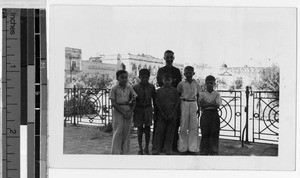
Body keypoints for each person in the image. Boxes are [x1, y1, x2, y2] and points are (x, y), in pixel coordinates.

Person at [156, 50, 182, 152]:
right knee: (161, 125)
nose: (169, 59)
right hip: (163, 98)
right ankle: (161, 146)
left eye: (171, 57)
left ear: (173, 58)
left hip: (173, 98)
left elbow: (178, 84)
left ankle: (173, 146)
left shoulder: (176, 70)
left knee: (174, 125)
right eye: (167, 57)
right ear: (164, 58)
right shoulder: (161, 70)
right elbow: (159, 82)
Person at [109, 70, 138, 154]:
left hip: (128, 110)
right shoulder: (114, 89)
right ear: (117, 78)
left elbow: (134, 100)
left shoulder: (130, 88)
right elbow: (113, 103)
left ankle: (125, 151)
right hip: (118, 111)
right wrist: (122, 112)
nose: (124, 79)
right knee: (118, 131)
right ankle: (116, 152)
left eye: (126, 77)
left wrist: (130, 112)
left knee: (127, 131)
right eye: (122, 77)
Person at [152, 73, 180, 155]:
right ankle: (156, 148)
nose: (167, 82)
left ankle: (167, 149)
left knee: (170, 132)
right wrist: (161, 113)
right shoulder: (159, 91)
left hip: (172, 114)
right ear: (162, 80)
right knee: (159, 132)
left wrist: (173, 113)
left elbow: (177, 103)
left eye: (169, 80)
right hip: (161, 115)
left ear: (171, 80)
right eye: (165, 80)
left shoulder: (175, 91)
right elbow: (157, 103)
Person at [177, 66, 201, 155]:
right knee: (183, 126)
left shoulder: (196, 83)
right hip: (184, 103)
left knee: (193, 127)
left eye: (190, 73)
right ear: (184, 74)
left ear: (193, 73)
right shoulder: (181, 83)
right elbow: (178, 94)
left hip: (193, 104)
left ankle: (193, 148)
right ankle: (182, 148)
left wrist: (199, 107)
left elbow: (198, 95)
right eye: (187, 73)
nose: (188, 74)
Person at [133, 69, 156, 155]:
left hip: (148, 109)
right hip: (138, 110)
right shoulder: (135, 87)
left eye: (146, 77)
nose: (144, 79)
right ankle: (140, 148)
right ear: (139, 77)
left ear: (149, 77)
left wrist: (155, 111)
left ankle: (146, 147)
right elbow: (133, 100)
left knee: (147, 129)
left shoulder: (151, 87)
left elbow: (154, 99)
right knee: (139, 129)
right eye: (142, 77)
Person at [199, 75, 222, 155]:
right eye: (207, 83)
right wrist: (212, 103)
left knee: (214, 133)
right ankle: (204, 151)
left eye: (211, 83)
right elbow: (202, 105)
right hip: (205, 114)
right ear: (205, 83)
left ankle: (214, 151)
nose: (209, 85)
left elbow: (217, 105)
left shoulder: (217, 94)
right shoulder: (202, 94)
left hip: (214, 114)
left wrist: (207, 104)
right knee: (205, 133)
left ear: (214, 84)